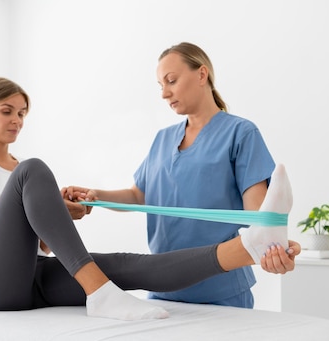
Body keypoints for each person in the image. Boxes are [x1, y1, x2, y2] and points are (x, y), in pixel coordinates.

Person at [0, 76, 297, 322]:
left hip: (27, 277)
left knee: (128, 265)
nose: (16, 120)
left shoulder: (15, 168)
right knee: (33, 170)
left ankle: (251, 245)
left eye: (21, 114)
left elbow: (43, 246)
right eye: (6, 111)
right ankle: (99, 292)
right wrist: (29, 204)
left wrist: (57, 216)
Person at [63, 42, 300, 308]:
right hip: (163, 286)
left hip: (221, 291)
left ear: (201, 75)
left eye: (171, 81)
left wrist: (272, 247)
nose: (164, 93)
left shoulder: (241, 134)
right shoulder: (162, 139)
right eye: (160, 85)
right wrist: (95, 196)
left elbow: (256, 214)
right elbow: (138, 195)